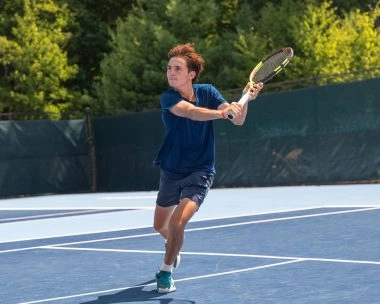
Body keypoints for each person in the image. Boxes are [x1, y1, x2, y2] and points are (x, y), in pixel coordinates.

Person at [153, 42, 263, 293]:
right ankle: (173, 247)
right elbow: (191, 113)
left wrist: (245, 101)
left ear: (191, 74)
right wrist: (223, 114)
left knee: (178, 223)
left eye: (177, 68)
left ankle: (165, 271)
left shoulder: (209, 92)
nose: (171, 72)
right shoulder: (168, 97)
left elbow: (238, 120)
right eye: (169, 68)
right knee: (160, 226)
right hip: (171, 170)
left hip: (200, 170)